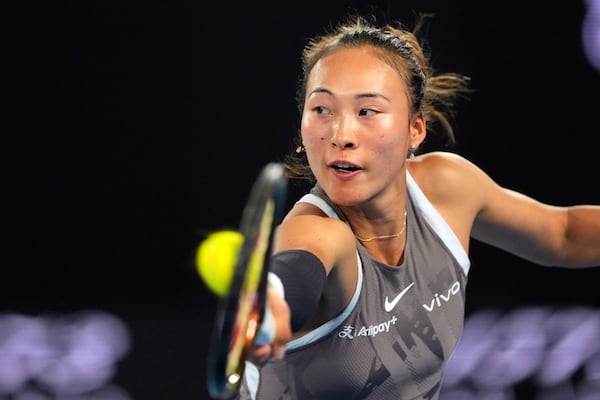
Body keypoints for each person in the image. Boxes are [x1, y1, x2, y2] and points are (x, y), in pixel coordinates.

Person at [236, 13, 600, 400]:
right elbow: (292, 271)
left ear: (416, 129)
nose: (341, 134)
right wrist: (272, 300)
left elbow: (563, 235)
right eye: (322, 109)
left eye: (367, 111)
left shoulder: (447, 188)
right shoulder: (315, 231)